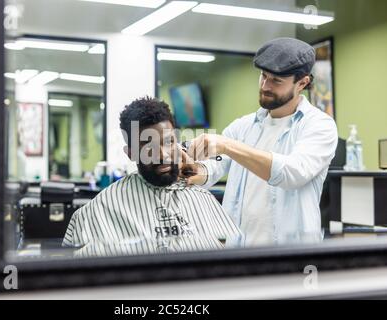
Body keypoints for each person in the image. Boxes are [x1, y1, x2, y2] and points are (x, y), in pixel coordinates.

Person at [182, 38, 338, 247]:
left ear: (302, 83)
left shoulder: (319, 126)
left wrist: (228, 145)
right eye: (263, 76)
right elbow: (215, 165)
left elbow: (292, 173)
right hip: (241, 251)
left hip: (291, 256)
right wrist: (193, 170)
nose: (265, 86)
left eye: (276, 81)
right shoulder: (242, 126)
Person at [63, 97, 242, 257]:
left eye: (169, 141)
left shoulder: (202, 199)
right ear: (131, 153)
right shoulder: (98, 210)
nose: (163, 154)